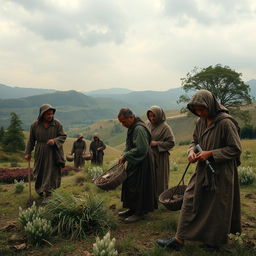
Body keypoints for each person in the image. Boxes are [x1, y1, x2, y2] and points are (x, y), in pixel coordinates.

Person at [156, 89, 242, 251]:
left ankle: (213, 242)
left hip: (221, 173)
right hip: (203, 170)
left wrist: (211, 153)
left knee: (217, 207)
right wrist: (191, 152)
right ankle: (178, 240)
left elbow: (235, 149)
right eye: (196, 110)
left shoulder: (225, 123)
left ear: (210, 105)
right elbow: (194, 141)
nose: (199, 112)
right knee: (190, 199)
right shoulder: (200, 122)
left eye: (202, 109)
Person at [118, 108, 158, 223]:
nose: (123, 124)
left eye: (124, 121)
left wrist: (126, 156)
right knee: (130, 183)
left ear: (131, 117)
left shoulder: (139, 128)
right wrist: (124, 153)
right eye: (121, 122)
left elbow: (141, 149)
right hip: (136, 160)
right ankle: (132, 209)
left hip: (143, 161)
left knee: (140, 186)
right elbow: (129, 144)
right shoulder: (132, 127)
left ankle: (140, 212)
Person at [25, 104, 67, 199]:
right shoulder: (35, 125)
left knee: (51, 172)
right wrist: (28, 152)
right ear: (42, 114)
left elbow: (63, 136)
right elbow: (31, 140)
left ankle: (49, 192)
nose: (50, 116)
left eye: (51, 114)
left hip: (53, 152)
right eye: (48, 114)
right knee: (39, 171)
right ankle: (40, 189)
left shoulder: (57, 124)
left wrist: (54, 141)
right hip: (40, 151)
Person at [146, 106, 175, 196]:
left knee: (160, 177)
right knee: (149, 176)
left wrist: (157, 143)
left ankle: (161, 196)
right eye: (150, 116)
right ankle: (151, 196)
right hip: (149, 155)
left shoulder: (165, 127)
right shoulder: (147, 124)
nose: (152, 118)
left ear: (159, 115)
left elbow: (171, 143)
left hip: (161, 157)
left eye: (154, 116)